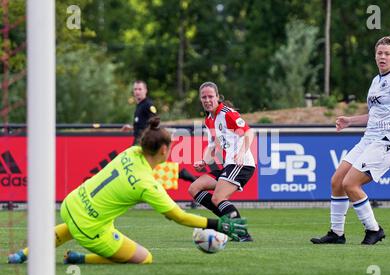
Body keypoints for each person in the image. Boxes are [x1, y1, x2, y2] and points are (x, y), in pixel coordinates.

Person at [8, 117, 247, 264]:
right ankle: (82, 258)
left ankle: (22, 254)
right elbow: (179, 216)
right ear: (163, 151)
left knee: (74, 225)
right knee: (145, 258)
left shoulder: (131, 152)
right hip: (91, 228)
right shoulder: (147, 184)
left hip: (71, 204)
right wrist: (218, 225)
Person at [311, 36, 390, 245]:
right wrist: (350, 120)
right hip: (368, 140)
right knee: (337, 181)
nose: (382, 57)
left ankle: (374, 230)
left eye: (387, 54)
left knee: (350, 184)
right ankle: (336, 234)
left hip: (385, 143)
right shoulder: (376, 81)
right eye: (379, 53)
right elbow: (376, 115)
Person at [188, 82, 255, 242]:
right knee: (194, 188)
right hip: (229, 165)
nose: (207, 99)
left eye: (211, 96)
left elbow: (249, 133)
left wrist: (240, 153)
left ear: (217, 97)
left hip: (242, 164)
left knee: (217, 198)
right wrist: (204, 161)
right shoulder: (209, 119)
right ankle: (229, 223)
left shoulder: (227, 113)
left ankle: (242, 233)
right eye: (204, 97)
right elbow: (213, 146)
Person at [122, 80, 198, 183]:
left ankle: (181, 173)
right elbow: (143, 123)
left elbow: (155, 120)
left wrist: (150, 139)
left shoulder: (147, 105)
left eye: (140, 89)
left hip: (143, 142)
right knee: (149, 168)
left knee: (135, 165)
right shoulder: (139, 105)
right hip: (140, 141)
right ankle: (181, 173)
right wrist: (132, 127)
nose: (137, 91)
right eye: (135, 89)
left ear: (145, 90)